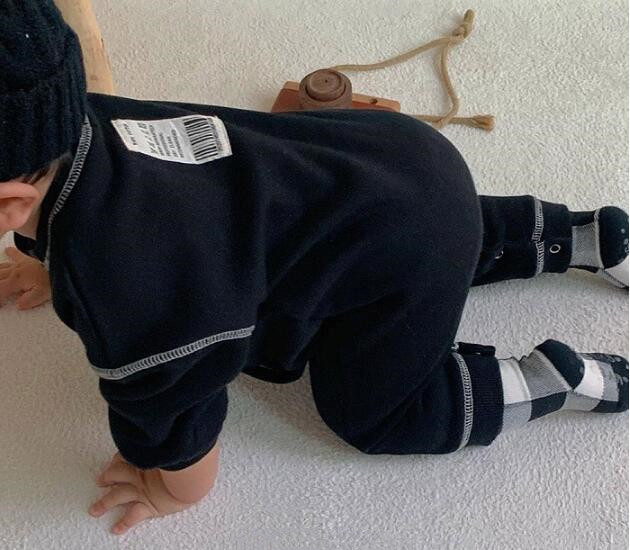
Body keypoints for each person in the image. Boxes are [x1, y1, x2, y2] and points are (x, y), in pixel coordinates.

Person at [0, 1, 627, 536]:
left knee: (375, 414)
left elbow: (178, 408)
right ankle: (577, 235)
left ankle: (548, 379)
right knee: (416, 221)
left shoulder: (124, 290)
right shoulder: (80, 118)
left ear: (11, 205)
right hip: (396, 157)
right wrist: (46, 257)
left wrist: (169, 488)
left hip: (400, 256)